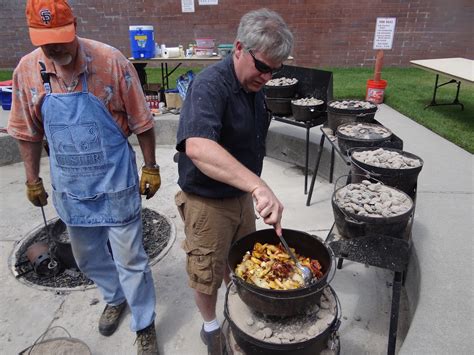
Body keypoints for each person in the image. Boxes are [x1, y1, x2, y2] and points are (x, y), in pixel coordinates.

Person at [7, 1, 161, 354]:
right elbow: (26, 133)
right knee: (88, 256)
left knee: (131, 259)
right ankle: (114, 296)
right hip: (72, 186)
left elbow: (142, 121)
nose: (54, 48)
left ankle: (144, 323)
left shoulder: (110, 61)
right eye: (46, 41)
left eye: (61, 38)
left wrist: (150, 166)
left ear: (74, 25)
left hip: (115, 181)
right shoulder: (27, 71)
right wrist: (32, 179)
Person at [175, 8, 293, 355]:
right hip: (207, 201)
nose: (268, 77)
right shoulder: (210, 84)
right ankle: (211, 325)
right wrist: (259, 185)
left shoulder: (253, 83)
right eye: (263, 67)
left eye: (276, 70)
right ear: (239, 48)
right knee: (206, 269)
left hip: (240, 196)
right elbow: (197, 146)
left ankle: (238, 306)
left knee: (240, 259)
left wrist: (251, 189)